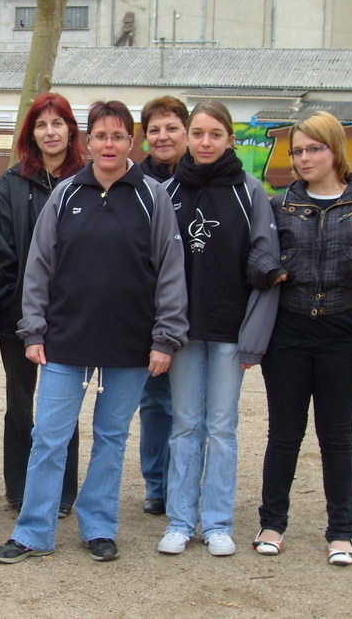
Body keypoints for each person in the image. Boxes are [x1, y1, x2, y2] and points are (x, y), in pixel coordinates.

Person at [0, 101, 188, 564]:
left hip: (131, 341)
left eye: (118, 137)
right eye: (101, 136)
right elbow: (38, 266)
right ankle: (33, 531)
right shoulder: (65, 195)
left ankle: (98, 526)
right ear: (89, 141)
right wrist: (32, 330)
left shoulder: (152, 196)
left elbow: (171, 272)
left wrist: (165, 338)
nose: (109, 145)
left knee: (111, 436)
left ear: (131, 142)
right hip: (64, 337)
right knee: (49, 435)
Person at [253, 111, 352, 565]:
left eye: (314, 148)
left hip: (345, 333)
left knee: (336, 436)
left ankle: (341, 531)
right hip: (288, 333)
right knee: (283, 434)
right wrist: (267, 269)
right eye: (298, 151)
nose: (304, 158)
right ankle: (272, 522)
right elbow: (252, 257)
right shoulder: (279, 205)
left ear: (334, 150)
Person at [157, 100, 281, 557]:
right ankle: (180, 520)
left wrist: (255, 338)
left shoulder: (250, 193)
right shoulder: (167, 192)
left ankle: (217, 522)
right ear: (187, 137)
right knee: (185, 425)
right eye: (198, 133)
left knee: (222, 426)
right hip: (183, 332)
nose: (205, 142)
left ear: (229, 138)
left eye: (215, 134)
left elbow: (266, 265)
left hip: (231, 330)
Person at [0, 92, 86, 517]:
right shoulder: (9, 185)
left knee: (63, 406)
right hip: (19, 318)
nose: (50, 132)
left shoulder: (88, 181)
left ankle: (62, 492)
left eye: (57, 124)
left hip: (73, 318)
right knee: (21, 404)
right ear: (30, 134)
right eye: (41, 125)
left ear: (70, 130)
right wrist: (15, 309)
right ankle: (20, 488)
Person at [136, 95, 189, 516]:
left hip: (201, 311)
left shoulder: (203, 180)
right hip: (150, 314)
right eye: (154, 129)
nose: (163, 136)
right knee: (155, 403)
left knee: (192, 409)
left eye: (171, 127)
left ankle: (187, 483)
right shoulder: (135, 183)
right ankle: (158, 484)